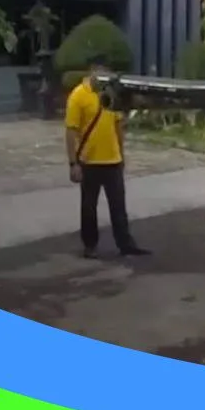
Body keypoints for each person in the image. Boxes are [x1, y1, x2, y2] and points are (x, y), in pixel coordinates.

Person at [64, 54, 150, 259]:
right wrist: (73, 163)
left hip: (112, 161)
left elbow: (118, 126)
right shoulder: (79, 95)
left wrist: (121, 154)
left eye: (106, 71)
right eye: (100, 71)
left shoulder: (112, 95)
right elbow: (71, 131)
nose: (104, 75)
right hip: (89, 162)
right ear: (92, 70)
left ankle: (125, 244)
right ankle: (90, 245)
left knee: (119, 207)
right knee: (88, 207)